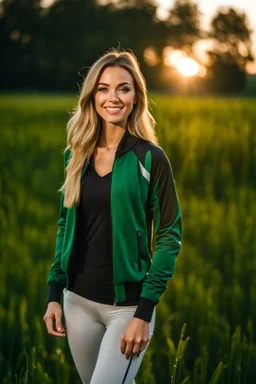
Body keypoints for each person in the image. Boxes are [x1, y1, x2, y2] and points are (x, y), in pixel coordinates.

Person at [43, 47, 182, 384]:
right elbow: (66, 226)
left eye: (124, 88)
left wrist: (143, 313)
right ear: (92, 97)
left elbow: (169, 235)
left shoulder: (150, 158)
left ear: (137, 97)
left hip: (128, 308)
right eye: (103, 88)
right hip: (77, 302)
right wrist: (54, 295)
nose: (113, 97)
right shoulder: (76, 155)